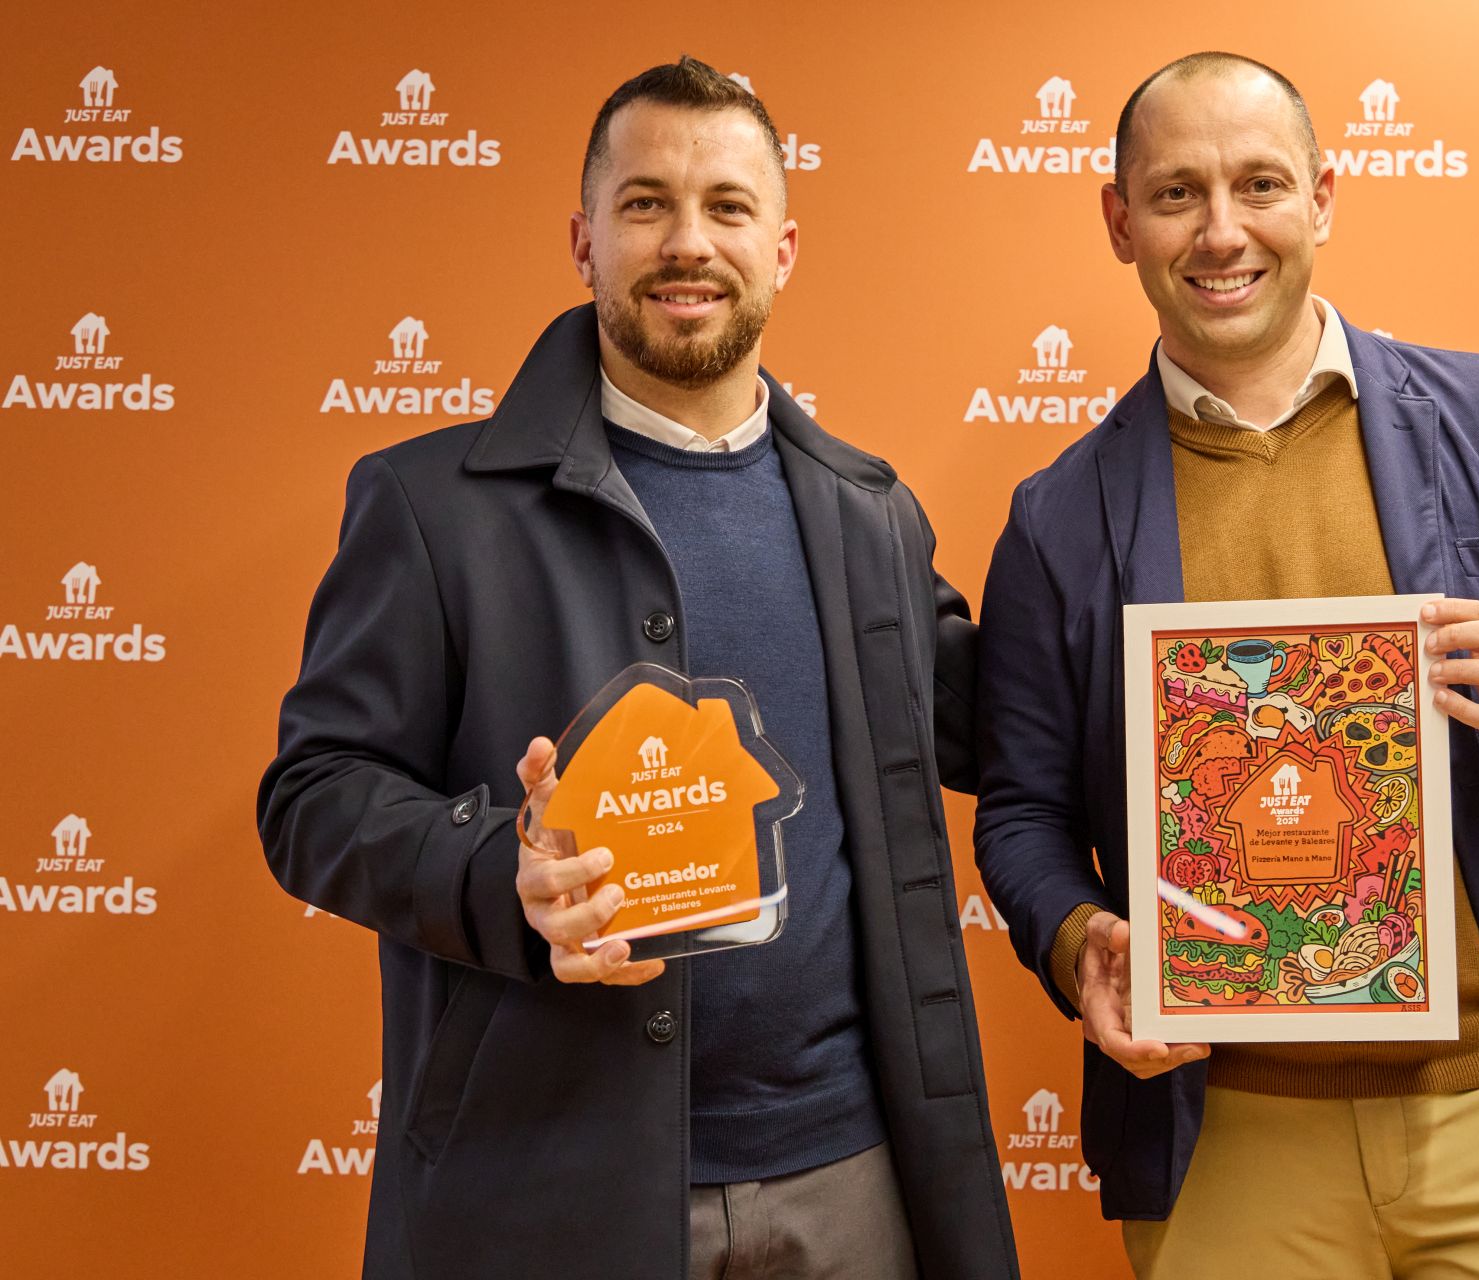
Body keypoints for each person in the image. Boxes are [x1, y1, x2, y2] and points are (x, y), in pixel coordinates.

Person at [260, 57, 1015, 1280]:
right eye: (646, 203)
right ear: (584, 238)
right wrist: (500, 867)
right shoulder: (429, 504)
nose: (687, 243)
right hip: (548, 1185)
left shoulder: (870, 513)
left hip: (849, 1180)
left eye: (726, 206)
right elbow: (311, 798)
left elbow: (1007, 726)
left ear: (783, 248)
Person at [973, 52, 1479, 1278]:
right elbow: (1023, 808)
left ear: (1324, 199)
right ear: (1119, 220)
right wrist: (1079, 933)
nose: (1222, 230)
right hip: (1227, 1135)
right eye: (1177, 192)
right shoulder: (1058, 515)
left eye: (1259, 184)